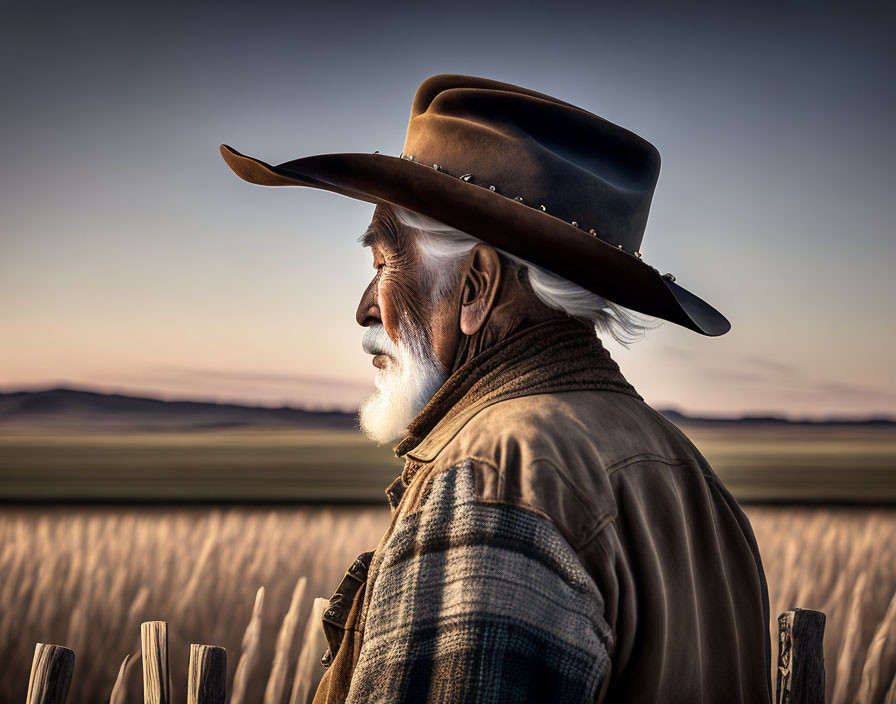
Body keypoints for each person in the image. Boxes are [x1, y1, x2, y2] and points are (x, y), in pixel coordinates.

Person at [221, 74, 773, 703]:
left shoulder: (490, 476)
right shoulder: (691, 478)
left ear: (477, 288)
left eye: (384, 264)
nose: (365, 309)